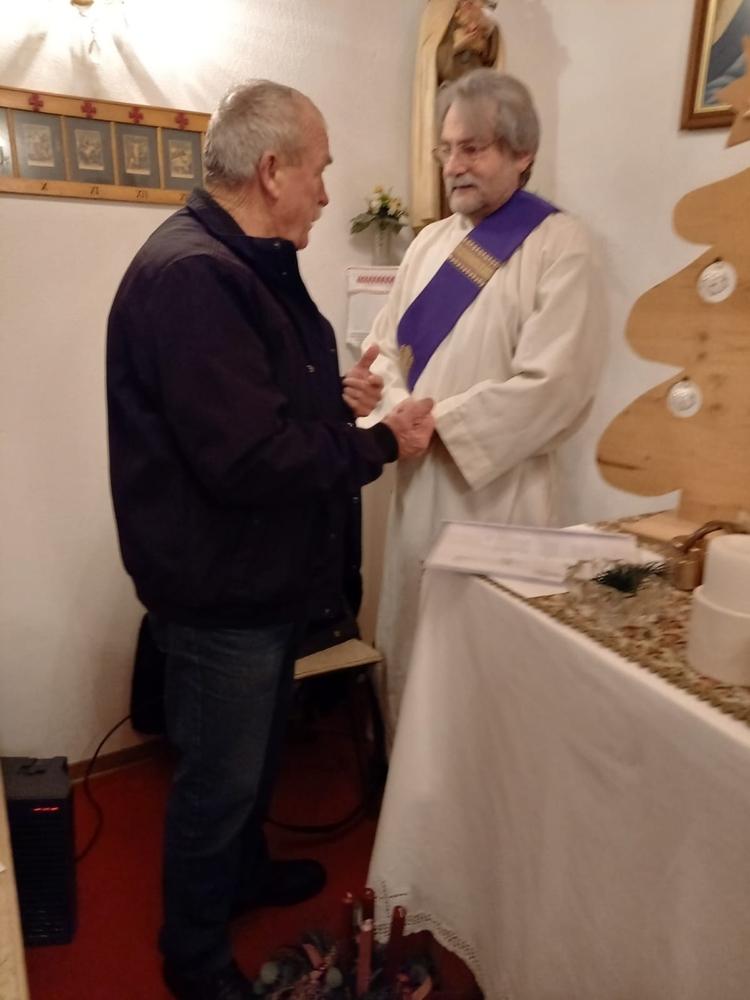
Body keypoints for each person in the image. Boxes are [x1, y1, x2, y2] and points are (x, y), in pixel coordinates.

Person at [106, 80, 433, 1000]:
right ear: (272, 167)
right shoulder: (196, 276)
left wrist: (334, 399)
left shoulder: (243, 261)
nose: (327, 192)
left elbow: (254, 403)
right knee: (219, 780)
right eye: (320, 170)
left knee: (250, 761)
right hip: (223, 587)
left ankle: (244, 876)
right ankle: (192, 953)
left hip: (261, 574)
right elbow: (246, 459)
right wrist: (380, 442)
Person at [359, 69, 605, 738]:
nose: (454, 166)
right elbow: (383, 349)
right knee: (411, 643)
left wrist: (436, 422)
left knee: (478, 672)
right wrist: (394, 410)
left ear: (523, 153)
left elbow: (556, 385)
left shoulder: (562, 246)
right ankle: (401, 786)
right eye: (447, 149)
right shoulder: (428, 244)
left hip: (497, 500)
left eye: (473, 148)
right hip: (418, 490)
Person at [411, 0, 504, 231]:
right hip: (448, 105)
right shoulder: (438, 11)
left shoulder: (479, 14)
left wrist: (487, 35)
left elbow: (492, 59)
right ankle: (449, 225)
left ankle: (481, 222)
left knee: (479, 160)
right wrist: (460, 44)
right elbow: (434, 60)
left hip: (479, 106)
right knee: (449, 163)